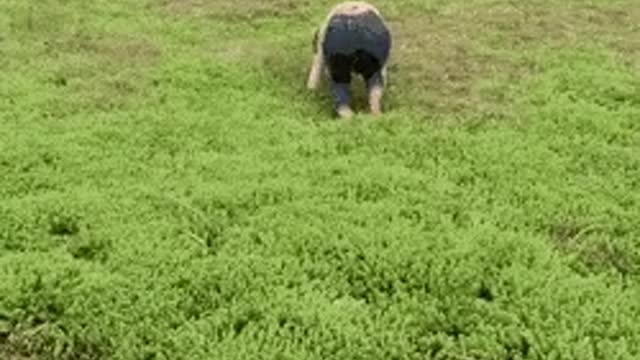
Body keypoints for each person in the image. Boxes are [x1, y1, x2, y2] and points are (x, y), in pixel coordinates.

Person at [307, 1, 392, 119]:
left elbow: (316, 67)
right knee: (374, 74)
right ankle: (375, 105)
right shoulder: (372, 10)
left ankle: (344, 110)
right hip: (373, 30)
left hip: (338, 33)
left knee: (339, 79)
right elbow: (382, 67)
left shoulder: (327, 24)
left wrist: (311, 89)